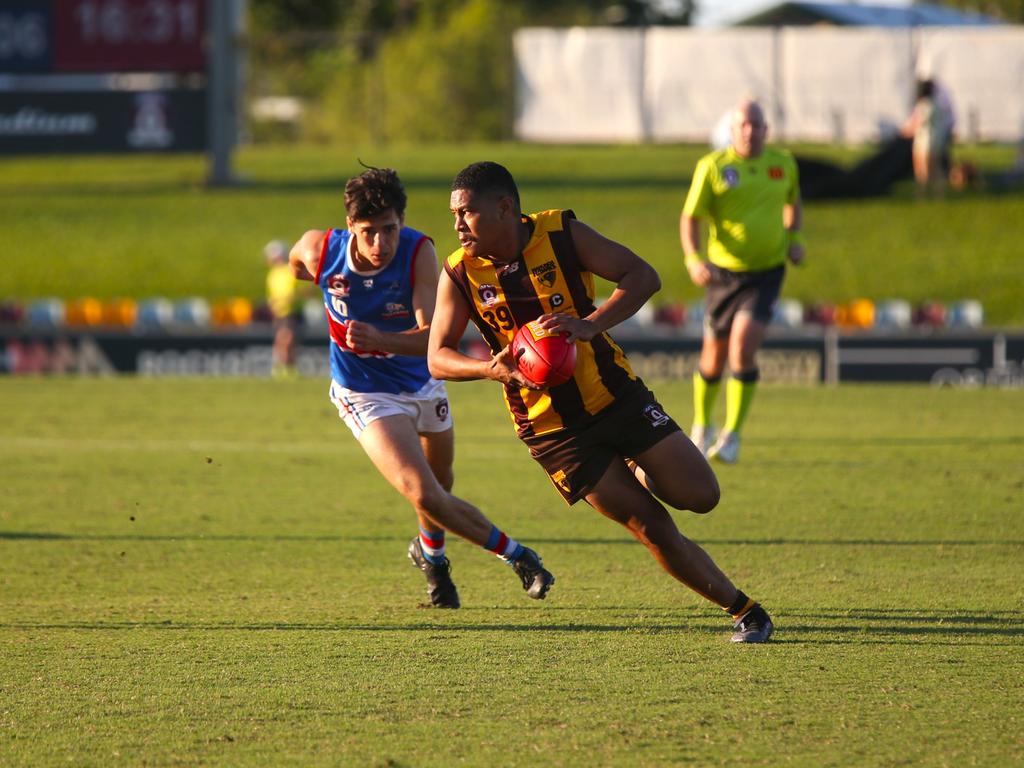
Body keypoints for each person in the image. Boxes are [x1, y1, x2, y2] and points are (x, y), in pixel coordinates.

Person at [428, 160, 773, 643]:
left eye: (466, 212)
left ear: (505, 208)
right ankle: (745, 611)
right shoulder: (460, 273)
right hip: (554, 432)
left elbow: (642, 276)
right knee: (650, 526)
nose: (457, 224)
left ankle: (635, 464)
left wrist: (591, 324)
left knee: (701, 495)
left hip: (615, 397)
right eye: (453, 215)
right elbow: (437, 357)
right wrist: (493, 367)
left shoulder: (561, 233)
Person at [288, 166, 554, 609]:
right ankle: (518, 556)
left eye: (390, 229)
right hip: (365, 392)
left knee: (440, 489)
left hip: (423, 383)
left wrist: (380, 340)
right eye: (369, 232)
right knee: (423, 491)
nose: (380, 244)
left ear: (403, 222)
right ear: (350, 226)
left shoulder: (419, 253)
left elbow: (432, 340)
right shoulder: (320, 250)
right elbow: (296, 266)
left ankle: (431, 559)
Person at [681, 99, 805, 464]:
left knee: (742, 348)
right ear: (732, 131)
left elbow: (793, 203)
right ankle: (702, 425)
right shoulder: (713, 167)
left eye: (757, 124)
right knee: (713, 358)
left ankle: (732, 435)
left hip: (766, 273)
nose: (750, 131)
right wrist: (693, 258)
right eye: (743, 125)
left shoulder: (782, 165)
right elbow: (690, 217)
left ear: (767, 129)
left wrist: (795, 239)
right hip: (722, 275)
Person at [902, 79, 951, 198]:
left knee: (922, 170)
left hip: (923, 141)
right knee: (936, 169)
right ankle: (939, 194)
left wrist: (903, 132)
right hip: (936, 141)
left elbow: (916, 123)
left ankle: (922, 194)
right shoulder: (937, 105)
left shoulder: (923, 106)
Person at [265, 239, 304, 378]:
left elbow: (305, 290)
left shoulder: (290, 270)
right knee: (283, 340)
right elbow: (273, 294)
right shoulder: (273, 274)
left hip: (291, 312)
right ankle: (281, 368)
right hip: (280, 312)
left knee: (288, 340)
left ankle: (287, 368)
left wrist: (291, 298)